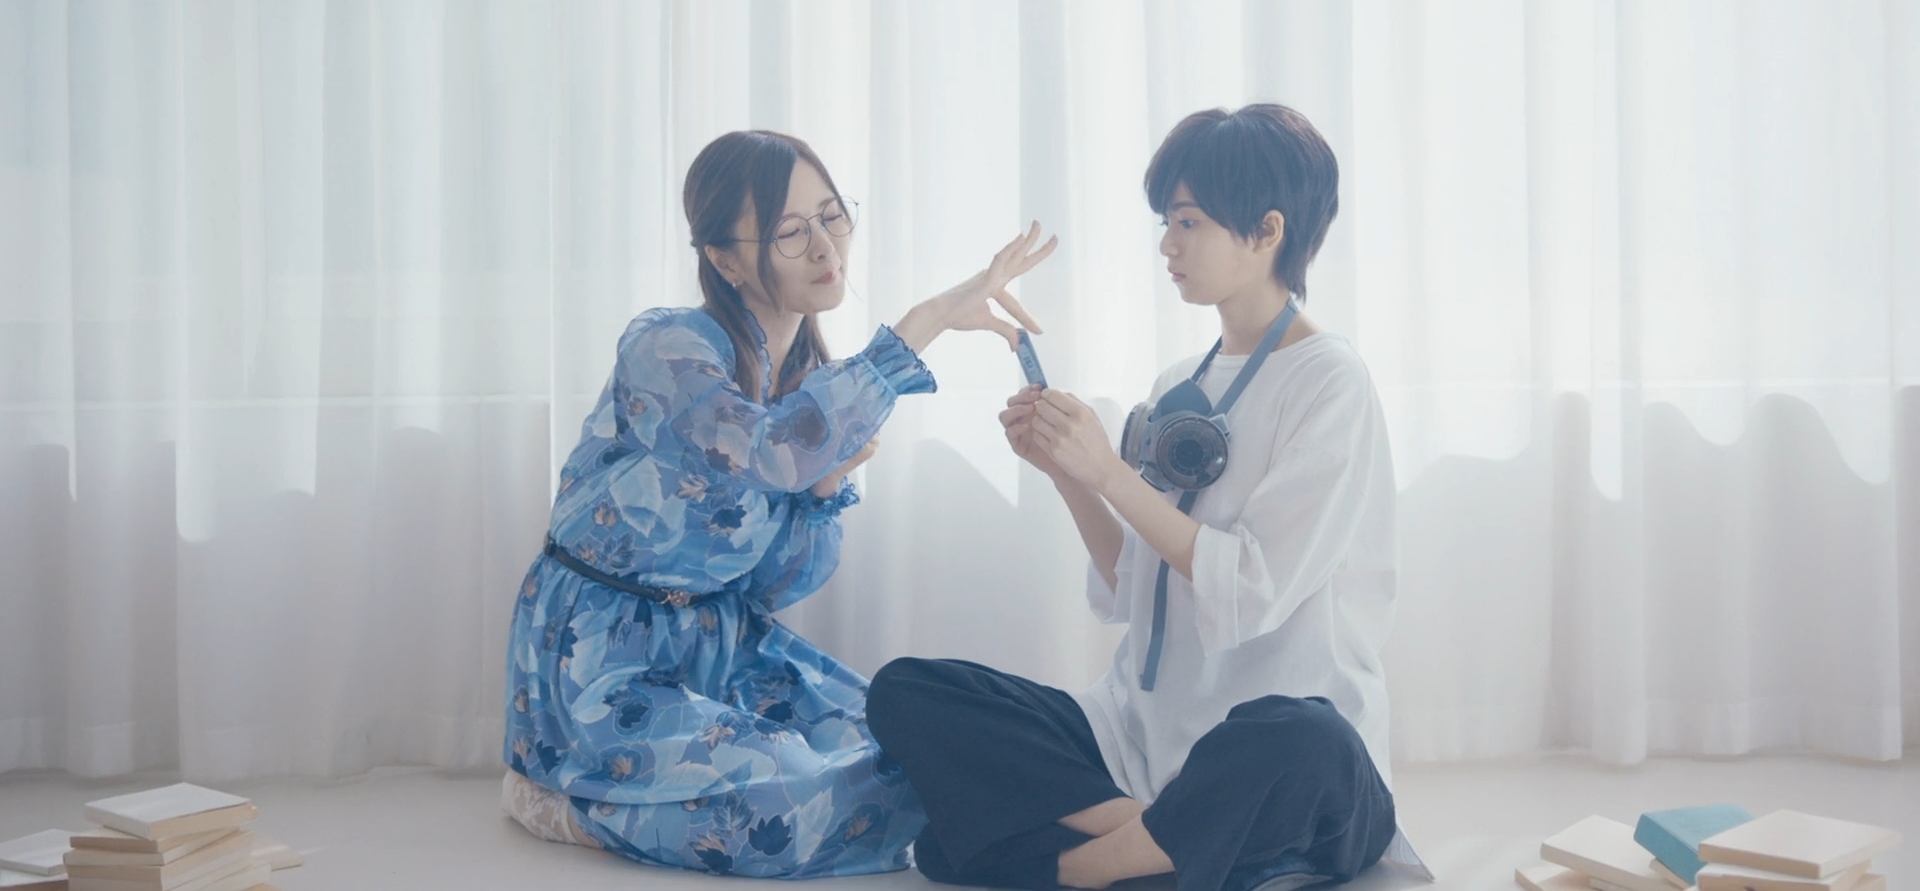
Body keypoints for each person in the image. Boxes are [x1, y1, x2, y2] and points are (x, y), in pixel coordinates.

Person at [866, 105, 1427, 891]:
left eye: (1188, 222)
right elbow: (1139, 586)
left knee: (1305, 737)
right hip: (1142, 746)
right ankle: (1167, 840)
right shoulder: (1178, 384)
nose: (1168, 244)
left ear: (1267, 231)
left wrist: (1108, 472)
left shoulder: (1330, 380)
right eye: (1167, 222)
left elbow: (1254, 588)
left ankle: (1085, 865)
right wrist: (1070, 476)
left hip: (1281, 754)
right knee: (908, 691)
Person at [501, 129, 1057, 877]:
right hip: (600, 665)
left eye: (832, 216)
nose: (826, 247)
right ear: (725, 260)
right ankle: (561, 799)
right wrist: (927, 319)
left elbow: (776, 582)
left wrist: (823, 490)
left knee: (912, 750)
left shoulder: (814, 389)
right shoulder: (668, 349)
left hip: (722, 642)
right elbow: (768, 452)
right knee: (785, 806)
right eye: (790, 232)